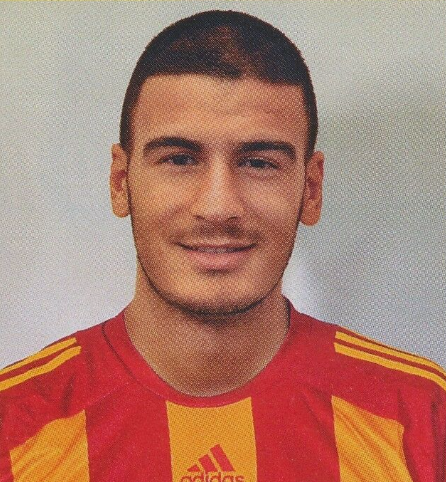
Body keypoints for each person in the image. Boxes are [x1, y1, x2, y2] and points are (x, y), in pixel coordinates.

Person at [1, 10, 445, 482]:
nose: (218, 206)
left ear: (311, 189)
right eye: (179, 159)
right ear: (120, 182)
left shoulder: (422, 421)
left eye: (258, 162)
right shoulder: (14, 428)